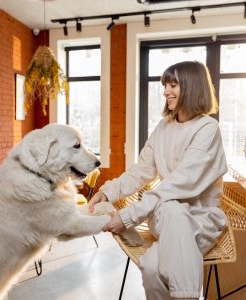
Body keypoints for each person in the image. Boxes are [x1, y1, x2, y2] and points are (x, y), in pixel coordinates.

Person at [89, 61, 228, 300]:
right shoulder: (163, 128)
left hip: (199, 219)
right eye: (165, 85)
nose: (166, 91)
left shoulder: (208, 128)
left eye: (173, 84)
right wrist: (109, 190)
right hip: (165, 218)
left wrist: (127, 217)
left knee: (152, 266)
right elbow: (141, 170)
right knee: (172, 212)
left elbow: (180, 182)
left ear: (192, 87)